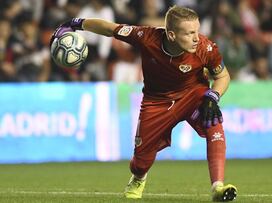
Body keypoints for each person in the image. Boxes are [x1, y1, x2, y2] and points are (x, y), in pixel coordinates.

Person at [51, 5, 237, 202]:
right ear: (172, 35)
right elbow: (109, 28)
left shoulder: (205, 48)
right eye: (190, 33)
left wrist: (213, 96)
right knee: (140, 163)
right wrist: (74, 24)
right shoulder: (146, 37)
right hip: (156, 102)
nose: (196, 38)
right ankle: (138, 178)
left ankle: (217, 186)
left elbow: (223, 76)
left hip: (193, 95)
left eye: (197, 31)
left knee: (213, 123)